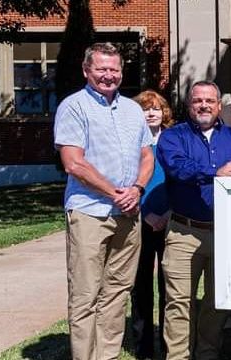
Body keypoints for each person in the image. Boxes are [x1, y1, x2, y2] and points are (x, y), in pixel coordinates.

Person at [54, 42, 154, 360]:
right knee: (85, 293)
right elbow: (73, 163)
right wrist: (116, 193)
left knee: (116, 291)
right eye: (101, 69)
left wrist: (137, 189)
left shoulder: (132, 110)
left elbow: (146, 154)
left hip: (129, 212)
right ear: (87, 71)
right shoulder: (74, 106)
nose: (108, 75)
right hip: (90, 212)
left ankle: (106, 355)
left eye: (114, 69)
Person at [158, 81, 231, 360]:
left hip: (225, 232)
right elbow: (178, 167)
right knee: (179, 301)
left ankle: (207, 353)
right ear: (189, 105)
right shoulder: (173, 137)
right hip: (184, 232)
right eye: (197, 101)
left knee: (217, 301)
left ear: (219, 106)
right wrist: (217, 172)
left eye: (209, 101)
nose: (203, 106)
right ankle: (178, 355)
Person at [130, 90, 175, 359]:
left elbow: (181, 180)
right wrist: (144, 213)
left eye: (156, 108)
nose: (151, 112)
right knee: (141, 287)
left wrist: (169, 213)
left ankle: (171, 345)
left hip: (171, 220)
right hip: (140, 220)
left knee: (169, 287)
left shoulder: (174, 141)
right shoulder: (131, 143)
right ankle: (144, 348)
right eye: (146, 108)